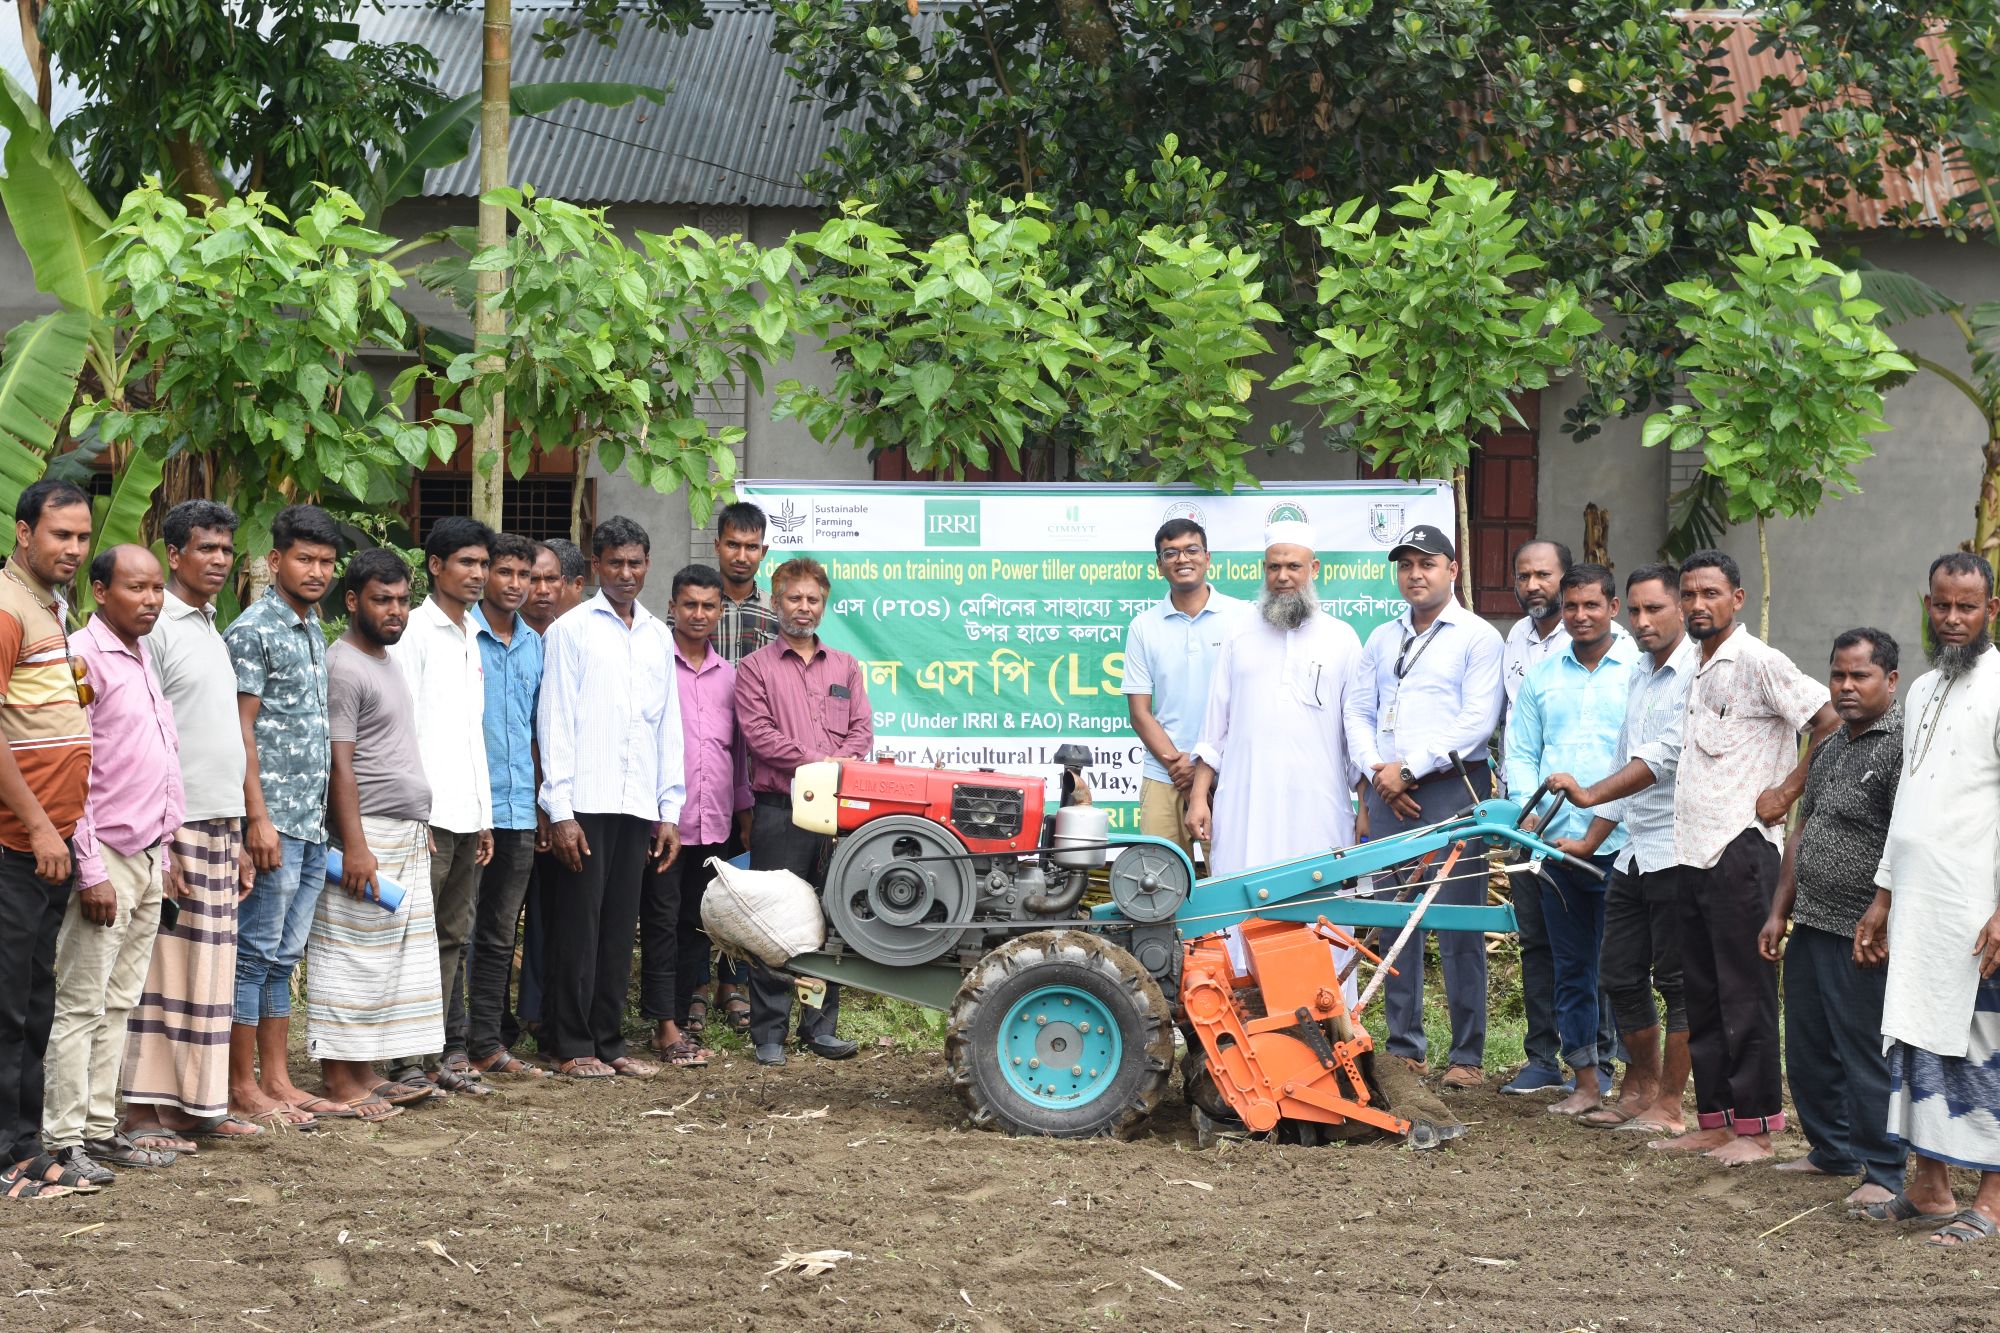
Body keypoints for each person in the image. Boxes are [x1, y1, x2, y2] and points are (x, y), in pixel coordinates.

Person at [1572, 549, 1834, 1164]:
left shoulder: (1758, 661)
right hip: (1688, 851)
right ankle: (1715, 1119)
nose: (1696, 605)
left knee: (1744, 994)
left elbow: (1828, 720)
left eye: (1709, 594)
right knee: (1703, 992)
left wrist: (1789, 789)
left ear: (1736, 599)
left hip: (1741, 848)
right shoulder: (1694, 668)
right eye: (1688, 595)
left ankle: (1757, 1130)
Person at [1863, 554, 2000, 1246]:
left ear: (1991, 612)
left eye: (1966, 607)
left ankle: (1994, 1201)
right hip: (1919, 906)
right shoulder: (1918, 689)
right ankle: (1930, 1186)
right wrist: (1883, 894)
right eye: (1941, 606)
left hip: (1979, 911)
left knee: (1985, 1046)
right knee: (1917, 1039)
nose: (1952, 620)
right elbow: (1908, 805)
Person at [1343, 523, 1505, 1089]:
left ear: (1452, 570)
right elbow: (1358, 711)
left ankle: (1467, 1056)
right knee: (1395, 921)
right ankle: (1404, 1048)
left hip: (1453, 789)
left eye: (1427, 563)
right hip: (1389, 793)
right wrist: (1377, 773)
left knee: (1458, 922)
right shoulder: (1381, 638)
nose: (1415, 574)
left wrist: (1408, 771)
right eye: (1406, 565)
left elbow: (1477, 721)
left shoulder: (1479, 637)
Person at [43, 547, 183, 1184]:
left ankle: (100, 1129)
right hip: (106, 858)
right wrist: (90, 868)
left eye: (156, 589)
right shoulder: (83, 656)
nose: (151, 599)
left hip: (149, 853)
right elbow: (77, 771)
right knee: (80, 1002)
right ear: (100, 590)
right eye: (136, 588)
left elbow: (158, 757)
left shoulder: (143, 653)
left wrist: (168, 847)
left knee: (121, 1000)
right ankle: (62, 1135)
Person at [1545, 564, 1697, 1137]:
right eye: (1635, 610)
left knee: (1676, 981)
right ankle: (1640, 1085)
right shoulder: (1639, 671)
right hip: (1635, 849)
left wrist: (1586, 795)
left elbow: (1659, 758)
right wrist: (1590, 839)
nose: (1642, 621)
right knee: (1619, 972)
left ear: (1680, 608)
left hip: (1682, 847)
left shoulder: (1695, 674)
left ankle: (1670, 1104)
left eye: (1653, 609)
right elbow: (1622, 756)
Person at [122, 501, 253, 1151]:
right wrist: (165, 835)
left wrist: (241, 826)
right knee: (164, 971)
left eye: (226, 550)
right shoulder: (157, 625)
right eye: (207, 548)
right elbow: (147, 735)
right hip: (176, 825)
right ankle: (144, 1112)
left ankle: (197, 1103)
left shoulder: (209, 626)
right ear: (173, 554)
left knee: (208, 974)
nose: (220, 561)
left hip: (219, 822)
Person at [1757, 628, 1903, 1209]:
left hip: (1861, 929)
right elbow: (1801, 829)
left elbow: (1905, 840)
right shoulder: (1832, 744)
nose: (1844, 687)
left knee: (1864, 1049)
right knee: (1810, 1046)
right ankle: (1832, 1149)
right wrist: (1778, 910)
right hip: (1812, 922)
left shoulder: (1901, 749)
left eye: (1859, 676)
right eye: (1837, 675)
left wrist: (1884, 908)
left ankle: (1884, 1168)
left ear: (1890, 680)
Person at [537, 516, 682, 1080]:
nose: (627, 573)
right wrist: (562, 810)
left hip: (637, 800)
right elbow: (556, 724)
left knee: (621, 926)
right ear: (595, 566)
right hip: (586, 800)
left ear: (648, 565)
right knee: (578, 924)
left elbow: (667, 727)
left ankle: (608, 1039)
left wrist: (669, 810)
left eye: (636, 563)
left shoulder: (656, 635)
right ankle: (569, 1043)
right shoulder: (570, 631)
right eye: (615, 563)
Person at [304, 550, 443, 1123]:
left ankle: (364, 1072)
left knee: (385, 961)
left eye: (402, 600)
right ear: (353, 600)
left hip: (402, 830)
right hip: (365, 837)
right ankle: (339, 1079)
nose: (395, 611)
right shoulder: (344, 665)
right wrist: (355, 844)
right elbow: (341, 764)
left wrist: (419, 823)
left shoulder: (386, 659)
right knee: (350, 954)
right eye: (382, 600)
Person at [1502, 564, 1636, 1118]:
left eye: (1592, 606)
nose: (1581, 616)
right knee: (1572, 964)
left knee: (1626, 967)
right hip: (1556, 845)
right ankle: (1584, 1080)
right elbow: (1521, 752)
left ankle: (1634, 1080)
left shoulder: (1638, 671)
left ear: (1613, 608)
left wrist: (1605, 815)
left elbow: (1643, 760)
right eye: (1572, 606)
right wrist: (1527, 811)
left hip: (1625, 844)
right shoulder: (1541, 677)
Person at [227, 503, 342, 1127]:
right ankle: (240, 1085)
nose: (317, 571)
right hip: (270, 821)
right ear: (275, 561)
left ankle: (276, 1077)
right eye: (305, 559)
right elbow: (239, 730)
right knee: (252, 951)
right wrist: (256, 820)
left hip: (308, 823)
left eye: (326, 561)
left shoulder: (313, 626)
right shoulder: (254, 629)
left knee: (281, 955)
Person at [0, 481, 98, 1200]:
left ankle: (26, 1146)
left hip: (49, 844)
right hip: (13, 843)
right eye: (60, 535)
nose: (72, 549)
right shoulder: (7, 608)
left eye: (83, 537)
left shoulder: (52, 610)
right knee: (7, 1002)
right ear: (24, 531)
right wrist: (37, 823)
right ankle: (6, 1158)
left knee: (35, 996)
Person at [735, 556, 871, 1067]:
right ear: (775, 603)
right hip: (780, 808)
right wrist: (822, 762)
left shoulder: (845, 667)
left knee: (828, 916)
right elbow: (760, 738)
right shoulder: (754, 669)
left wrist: (841, 762)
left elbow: (862, 732)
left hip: (838, 812)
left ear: (824, 604)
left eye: (813, 599)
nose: (804, 607)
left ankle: (819, 1026)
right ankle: (768, 1033)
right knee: (776, 921)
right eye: (795, 598)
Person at [385, 517, 495, 1096]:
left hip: (464, 813)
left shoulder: (471, 634)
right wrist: (414, 812)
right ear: (435, 566)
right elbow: (402, 730)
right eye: (466, 564)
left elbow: (470, 732)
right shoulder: (415, 633)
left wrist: (484, 817)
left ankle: (439, 1056)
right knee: (413, 935)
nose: (478, 575)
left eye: (483, 564)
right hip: (423, 817)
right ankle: (404, 1060)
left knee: (453, 935)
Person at [640, 564, 748, 1068]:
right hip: (665, 822)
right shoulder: (653, 666)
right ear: (672, 608)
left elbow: (738, 754)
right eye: (690, 605)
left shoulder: (731, 677)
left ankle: (686, 1011)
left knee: (699, 921)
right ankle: (663, 1023)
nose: (699, 614)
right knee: (660, 920)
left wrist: (742, 810)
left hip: (716, 822)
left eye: (709, 606)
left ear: (720, 611)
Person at [466, 534, 548, 1080]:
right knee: (455, 930)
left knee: (499, 932)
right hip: (469, 806)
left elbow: (538, 730)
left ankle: (486, 1042)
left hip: (519, 810)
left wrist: (543, 804)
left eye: (524, 573)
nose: (516, 584)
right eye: (505, 572)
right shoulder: (460, 636)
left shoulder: (533, 643)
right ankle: (445, 1044)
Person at [1496, 539, 1573, 1097]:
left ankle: (1600, 1060)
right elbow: (1516, 737)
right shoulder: (1515, 639)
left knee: (1591, 945)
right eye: (1524, 576)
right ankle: (1542, 1057)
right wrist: (1525, 811)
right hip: (1529, 821)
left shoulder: (1600, 641)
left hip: (1588, 821)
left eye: (1543, 575)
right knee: (1537, 940)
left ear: (1566, 580)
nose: (1533, 586)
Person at [1124, 518, 1242, 861]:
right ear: (1159, 566)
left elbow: (1250, 703)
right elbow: (1140, 713)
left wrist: (1204, 766)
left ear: (1207, 558)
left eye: (1191, 549)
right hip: (1163, 774)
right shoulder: (1143, 627)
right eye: (1170, 553)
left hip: (1228, 773)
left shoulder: (1243, 618)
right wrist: (1179, 766)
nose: (1182, 559)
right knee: (1159, 881)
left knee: (1229, 880)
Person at [510, 537, 585, 1048]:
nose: (539, 590)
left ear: (569, 585)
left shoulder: (571, 640)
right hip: (515, 799)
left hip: (564, 802)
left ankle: (541, 1010)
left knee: (553, 911)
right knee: (501, 918)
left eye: (549, 580)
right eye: (529, 578)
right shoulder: (502, 640)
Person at [708, 501, 778, 1036]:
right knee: (695, 875)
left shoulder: (777, 620)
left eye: (752, 547)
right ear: (717, 546)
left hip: (754, 769)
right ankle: (691, 988)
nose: (741, 555)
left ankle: (732, 986)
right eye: (733, 544)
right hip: (700, 762)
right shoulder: (694, 607)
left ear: (764, 552)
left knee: (744, 874)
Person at [523, 539, 586, 637]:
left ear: (563, 584)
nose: (543, 590)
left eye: (551, 579)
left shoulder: (592, 633)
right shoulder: (501, 634)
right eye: (533, 579)